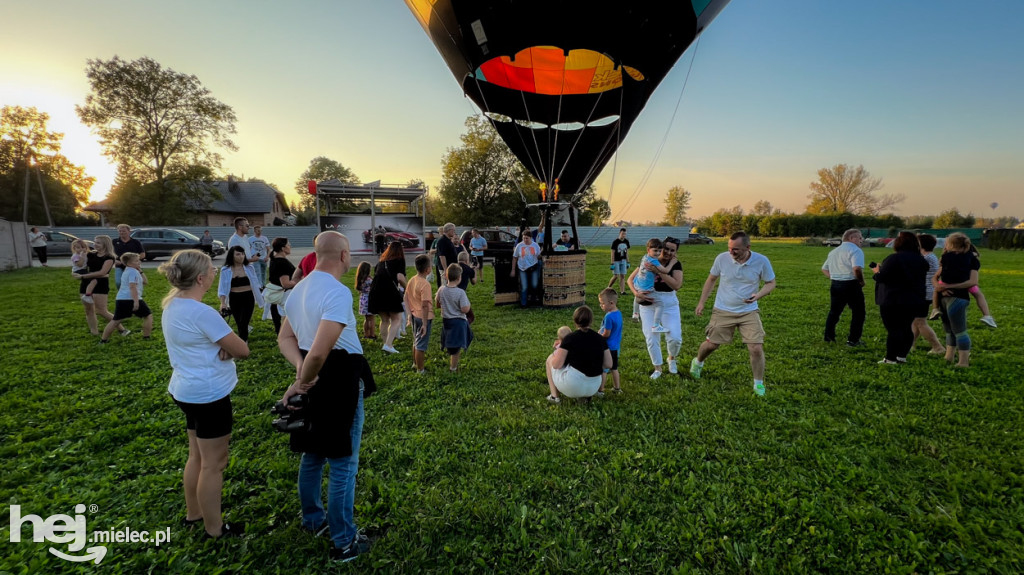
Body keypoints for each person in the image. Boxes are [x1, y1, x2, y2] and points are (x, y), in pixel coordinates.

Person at [276, 231, 376, 562]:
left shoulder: (299, 288)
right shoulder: (335, 292)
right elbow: (322, 351)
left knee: (313, 453)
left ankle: (313, 520)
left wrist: (300, 372)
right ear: (345, 255)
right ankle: (344, 542)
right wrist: (303, 378)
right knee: (343, 462)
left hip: (314, 376)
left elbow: (286, 337)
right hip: (338, 381)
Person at [159, 249, 249, 539]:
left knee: (196, 455)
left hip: (185, 389)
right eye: (211, 269)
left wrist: (221, 347)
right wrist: (226, 348)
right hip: (209, 394)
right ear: (200, 278)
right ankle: (214, 529)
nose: (214, 273)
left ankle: (194, 513)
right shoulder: (202, 312)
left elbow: (210, 344)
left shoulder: (172, 304)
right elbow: (242, 349)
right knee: (214, 464)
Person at [691, 231, 776, 396]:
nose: (731, 252)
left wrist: (758, 295)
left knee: (756, 347)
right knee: (712, 344)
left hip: (748, 311)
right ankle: (698, 362)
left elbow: (771, 283)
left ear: (748, 247)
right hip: (723, 309)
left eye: (736, 249)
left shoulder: (761, 261)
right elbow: (711, 279)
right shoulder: (722, 258)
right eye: (729, 248)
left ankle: (758, 384)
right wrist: (702, 302)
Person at [628, 236, 684, 377]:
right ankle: (657, 368)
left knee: (675, 338)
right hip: (648, 302)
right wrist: (636, 293)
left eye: (672, 250)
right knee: (651, 338)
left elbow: (676, 285)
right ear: (660, 247)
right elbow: (630, 279)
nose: (668, 252)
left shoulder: (676, 264)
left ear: (676, 252)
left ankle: (672, 358)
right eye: (666, 249)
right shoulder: (649, 259)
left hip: (669, 303)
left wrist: (659, 271)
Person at [869, 232, 928, 364]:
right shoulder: (921, 260)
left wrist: (877, 271)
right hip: (913, 299)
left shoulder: (894, 259)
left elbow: (882, 277)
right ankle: (902, 356)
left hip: (893, 299)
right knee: (906, 328)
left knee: (893, 329)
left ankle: (890, 358)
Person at [545, 305, 612, 403]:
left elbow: (556, 365)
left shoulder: (569, 338)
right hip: (594, 386)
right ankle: (584, 397)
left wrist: (558, 353)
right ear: (591, 321)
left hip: (573, 385)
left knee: (550, 359)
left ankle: (554, 397)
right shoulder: (600, 339)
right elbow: (608, 364)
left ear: (575, 321)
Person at [934, 232, 980, 368]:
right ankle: (949, 356)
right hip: (948, 297)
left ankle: (963, 361)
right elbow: (937, 277)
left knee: (959, 330)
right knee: (949, 329)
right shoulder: (970, 258)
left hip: (955, 298)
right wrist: (939, 286)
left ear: (950, 244)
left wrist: (946, 286)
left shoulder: (948, 257)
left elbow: (972, 282)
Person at [73, 235, 126, 337]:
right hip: (86, 283)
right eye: (94, 242)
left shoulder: (109, 257)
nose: (95, 244)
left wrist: (83, 276)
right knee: (88, 310)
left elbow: (102, 272)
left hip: (100, 284)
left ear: (105, 244)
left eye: (98, 243)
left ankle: (122, 329)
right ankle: (94, 332)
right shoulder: (90, 255)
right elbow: (79, 263)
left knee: (101, 310)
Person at [821, 228, 866, 346]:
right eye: (860, 237)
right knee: (858, 312)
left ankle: (829, 336)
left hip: (836, 284)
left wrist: (834, 277)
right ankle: (853, 340)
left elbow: (824, 268)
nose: (861, 240)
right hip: (851, 283)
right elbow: (856, 268)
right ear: (852, 238)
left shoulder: (834, 251)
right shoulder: (856, 250)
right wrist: (861, 281)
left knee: (834, 312)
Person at [100, 252, 153, 343]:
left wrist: (140, 270)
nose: (139, 262)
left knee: (116, 320)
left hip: (121, 299)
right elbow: (132, 287)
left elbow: (145, 282)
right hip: (131, 298)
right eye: (136, 261)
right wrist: (136, 302)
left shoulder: (129, 270)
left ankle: (103, 340)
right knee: (148, 316)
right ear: (129, 263)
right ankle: (146, 337)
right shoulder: (133, 272)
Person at [218, 246, 265, 342]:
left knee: (244, 321)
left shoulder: (249, 268)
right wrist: (223, 303)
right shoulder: (225, 270)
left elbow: (256, 283)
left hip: (248, 297)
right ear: (232, 256)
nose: (241, 256)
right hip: (234, 298)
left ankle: (243, 342)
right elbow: (222, 287)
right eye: (238, 254)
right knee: (239, 322)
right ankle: (243, 340)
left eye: (243, 254)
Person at [368, 242, 407, 353]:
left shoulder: (381, 262)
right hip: (389, 291)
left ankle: (386, 343)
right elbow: (400, 277)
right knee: (397, 318)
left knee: (384, 320)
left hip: (376, 292)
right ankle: (388, 344)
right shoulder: (399, 260)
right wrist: (407, 287)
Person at [912, 234, 946, 354]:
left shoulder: (925, 259)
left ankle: (937, 347)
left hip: (924, 293)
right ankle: (911, 345)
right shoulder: (930, 256)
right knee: (916, 321)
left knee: (920, 322)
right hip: (927, 292)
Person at [436, 263, 472, 372]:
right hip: (458, 322)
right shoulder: (460, 292)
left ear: (446, 276)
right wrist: (469, 305)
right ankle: (453, 367)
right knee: (456, 347)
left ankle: (452, 362)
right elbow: (464, 309)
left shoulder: (441, 290)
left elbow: (437, 304)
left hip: (446, 321)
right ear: (459, 278)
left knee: (451, 343)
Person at [632, 238, 669, 334]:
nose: (657, 253)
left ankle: (635, 313)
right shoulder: (654, 261)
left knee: (637, 295)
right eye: (655, 251)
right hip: (647, 289)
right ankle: (656, 325)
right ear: (648, 250)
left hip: (638, 284)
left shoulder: (645, 257)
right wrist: (671, 263)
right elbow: (665, 271)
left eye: (659, 251)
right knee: (660, 304)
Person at [404, 254, 434, 374]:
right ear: (428, 269)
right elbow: (425, 305)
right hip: (423, 318)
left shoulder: (412, 280)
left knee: (416, 341)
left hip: (414, 316)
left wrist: (409, 314)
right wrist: (425, 324)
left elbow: (405, 297)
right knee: (421, 344)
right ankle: (420, 370)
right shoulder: (425, 284)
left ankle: (415, 363)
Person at [266, 237, 297, 334]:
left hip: (277, 297)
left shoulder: (274, 260)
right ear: (283, 248)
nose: (290, 246)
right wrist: (299, 281)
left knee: (279, 323)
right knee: (286, 321)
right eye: (288, 244)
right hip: (284, 296)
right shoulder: (282, 262)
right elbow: (285, 284)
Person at [597, 289, 623, 393]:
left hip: (608, 347)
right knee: (614, 368)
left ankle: (600, 390)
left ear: (611, 303)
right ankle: (617, 388)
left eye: (602, 303)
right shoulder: (618, 313)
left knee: (604, 369)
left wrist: (599, 335)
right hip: (616, 346)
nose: (601, 306)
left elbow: (607, 334)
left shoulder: (609, 317)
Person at [510, 230, 542, 307]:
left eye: (526, 238)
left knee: (534, 285)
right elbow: (515, 257)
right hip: (522, 268)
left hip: (533, 266)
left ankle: (533, 301)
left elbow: (538, 256)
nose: (525, 240)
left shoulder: (535, 245)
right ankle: (523, 303)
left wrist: (541, 255)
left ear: (531, 238)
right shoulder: (519, 246)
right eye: (524, 238)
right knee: (524, 286)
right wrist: (513, 269)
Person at [112, 224, 146, 289]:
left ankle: (133, 295)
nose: (122, 232)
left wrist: (133, 261)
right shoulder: (114, 242)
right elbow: (110, 253)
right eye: (120, 231)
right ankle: (122, 295)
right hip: (119, 266)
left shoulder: (135, 242)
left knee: (135, 283)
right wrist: (114, 260)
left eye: (124, 231)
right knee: (118, 282)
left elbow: (142, 254)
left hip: (133, 267)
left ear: (129, 231)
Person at [354, 262, 377, 340]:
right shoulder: (369, 280)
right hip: (370, 300)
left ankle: (366, 334)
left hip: (363, 299)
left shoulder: (360, 279)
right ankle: (372, 334)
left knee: (366, 319)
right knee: (372, 319)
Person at [71, 238, 97, 303]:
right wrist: (82, 257)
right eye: (78, 247)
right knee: (93, 280)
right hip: (78, 271)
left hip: (84, 270)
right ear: (74, 248)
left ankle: (87, 295)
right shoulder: (75, 256)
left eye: (83, 247)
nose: (81, 249)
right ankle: (87, 295)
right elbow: (80, 264)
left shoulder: (85, 254)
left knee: (86, 283)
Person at [608, 228, 630, 296]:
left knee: (623, 276)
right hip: (616, 261)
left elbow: (626, 252)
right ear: (620, 233)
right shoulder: (615, 242)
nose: (624, 235)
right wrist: (612, 263)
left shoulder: (626, 241)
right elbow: (612, 253)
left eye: (625, 234)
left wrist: (628, 262)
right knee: (616, 276)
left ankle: (622, 291)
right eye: (622, 234)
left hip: (623, 260)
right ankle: (608, 288)